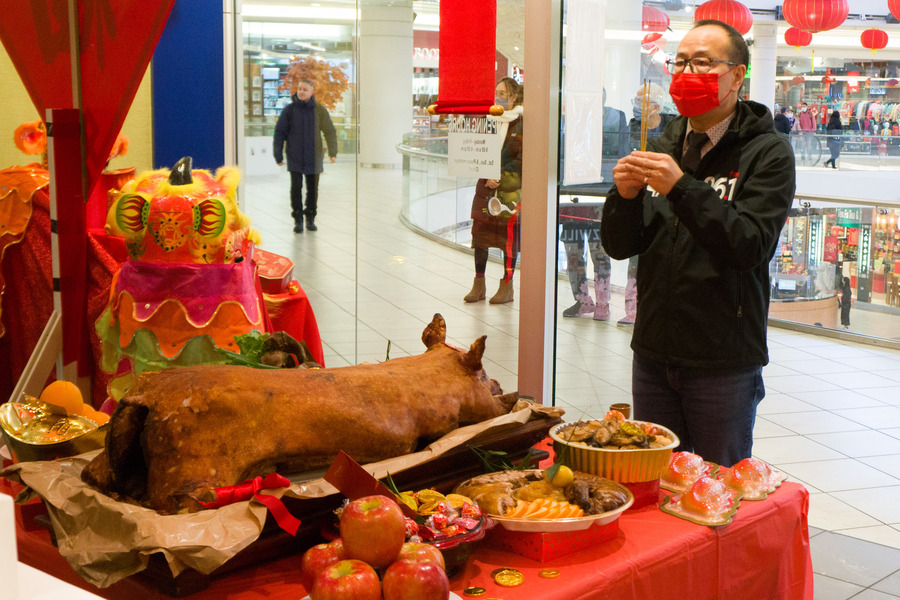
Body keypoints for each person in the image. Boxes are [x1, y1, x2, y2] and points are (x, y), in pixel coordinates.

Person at [600, 20, 795, 467]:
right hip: (652, 353)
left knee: (716, 488)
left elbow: (749, 244)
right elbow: (621, 246)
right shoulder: (665, 141)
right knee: (654, 479)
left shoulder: (768, 152)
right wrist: (624, 198)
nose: (688, 72)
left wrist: (681, 188)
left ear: (737, 75)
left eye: (703, 62)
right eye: (681, 62)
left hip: (722, 362)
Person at [464, 77, 523, 304]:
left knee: (508, 240)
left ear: (514, 97)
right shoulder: (487, 120)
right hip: (485, 190)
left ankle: (507, 286)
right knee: (480, 237)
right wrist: (486, 174)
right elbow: (476, 151)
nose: (498, 96)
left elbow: (521, 157)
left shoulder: (520, 122)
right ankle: (479, 283)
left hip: (510, 191)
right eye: (496, 91)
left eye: (504, 93)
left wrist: (500, 175)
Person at [273, 78, 338, 233]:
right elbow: (280, 132)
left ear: (311, 92)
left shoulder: (319, 110)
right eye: (299, 89)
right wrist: (278, 155)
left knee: (312, 189)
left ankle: (310, 217)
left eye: (305, 89)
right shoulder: (289, 110)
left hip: (313, 156)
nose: (301, 92)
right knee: (296, 188)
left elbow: (329, 131)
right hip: (294, 156)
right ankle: (298, 220)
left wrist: (332, 152)